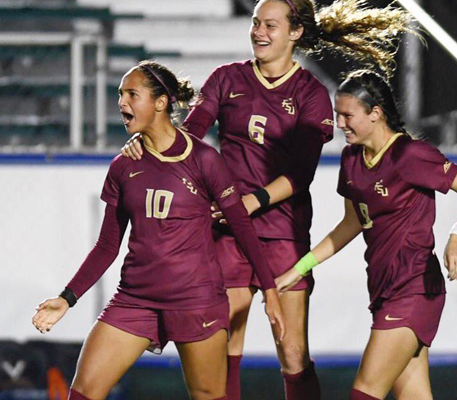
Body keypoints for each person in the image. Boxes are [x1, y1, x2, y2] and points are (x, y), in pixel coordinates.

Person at [121, 2, 414, 399]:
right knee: (225, 344)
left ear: (294, 33)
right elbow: (187, 140)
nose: (259, 31)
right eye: (255, 22)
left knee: (292, 353)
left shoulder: (310, 93)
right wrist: (147, 141)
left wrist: (250, 202)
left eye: (270, 25)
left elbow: (300, 173)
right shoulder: (227, 79)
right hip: (227, 232)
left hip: (283, 235)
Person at [32, 60, 285, 400]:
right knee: (83, 393)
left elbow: (241, 225)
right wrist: (67, 298)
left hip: (196, 301)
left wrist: (270, 292)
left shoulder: (205, 160)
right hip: (136, 299)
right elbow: (107, 246)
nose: (121, 102)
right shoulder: (123, 165)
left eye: (132, 94)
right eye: (120, 94)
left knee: (210, 395)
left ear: (161, 102)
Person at [275, 69, 457, 400]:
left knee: (365, 392)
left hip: (415, 288)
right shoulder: (351, 159)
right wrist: (300, 267)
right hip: (384, 290)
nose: (340, 124)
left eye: (348, 115)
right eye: (337, 115)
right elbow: (351, 224)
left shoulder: (410, 154)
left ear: (376, 113)